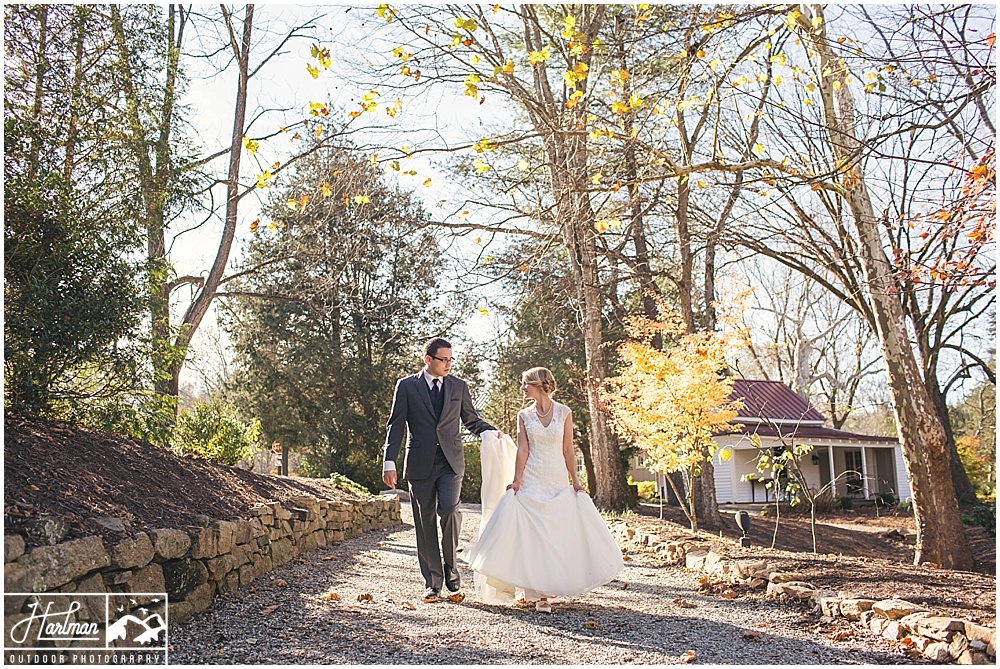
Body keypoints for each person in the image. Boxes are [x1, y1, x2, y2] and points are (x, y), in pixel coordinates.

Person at [464, 367, 624, 613]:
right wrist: (516, 480)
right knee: (533, 533)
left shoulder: (564, 412)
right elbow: (523, 450)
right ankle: (538, 594)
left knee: (554, 533)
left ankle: (550, 588)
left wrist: (575, 480)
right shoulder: (524, 415)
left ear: (537, 384)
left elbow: (568, 450)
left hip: (556, 479)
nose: (522, 388)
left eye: (525, 384)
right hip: (532, 478)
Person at [383, 337, 498, 603]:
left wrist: (493, 433)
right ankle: (432, 582)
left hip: (450, 462)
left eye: (450, 359)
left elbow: (471, 420)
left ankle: (451, 568)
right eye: (443, 359)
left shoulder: (459, 386)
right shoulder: (407, 386)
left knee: (449, 508)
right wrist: (389, 461)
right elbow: (396, 425)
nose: (448, 364)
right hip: (420, 463)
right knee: (424, 524)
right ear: (428, 360)